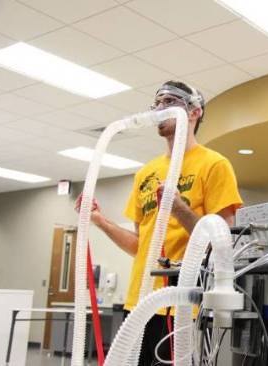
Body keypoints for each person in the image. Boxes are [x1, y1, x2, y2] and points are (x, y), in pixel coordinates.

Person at [76, 80, 243, 365]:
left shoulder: (214, 164)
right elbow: (140, 245)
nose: (160, 108)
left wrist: (179, 210)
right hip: (139, 301)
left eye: (169, 102)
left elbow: (222, 241)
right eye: (157, 103)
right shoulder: (146, 173)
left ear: (194, 112)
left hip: (182, 305)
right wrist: (100, 221)